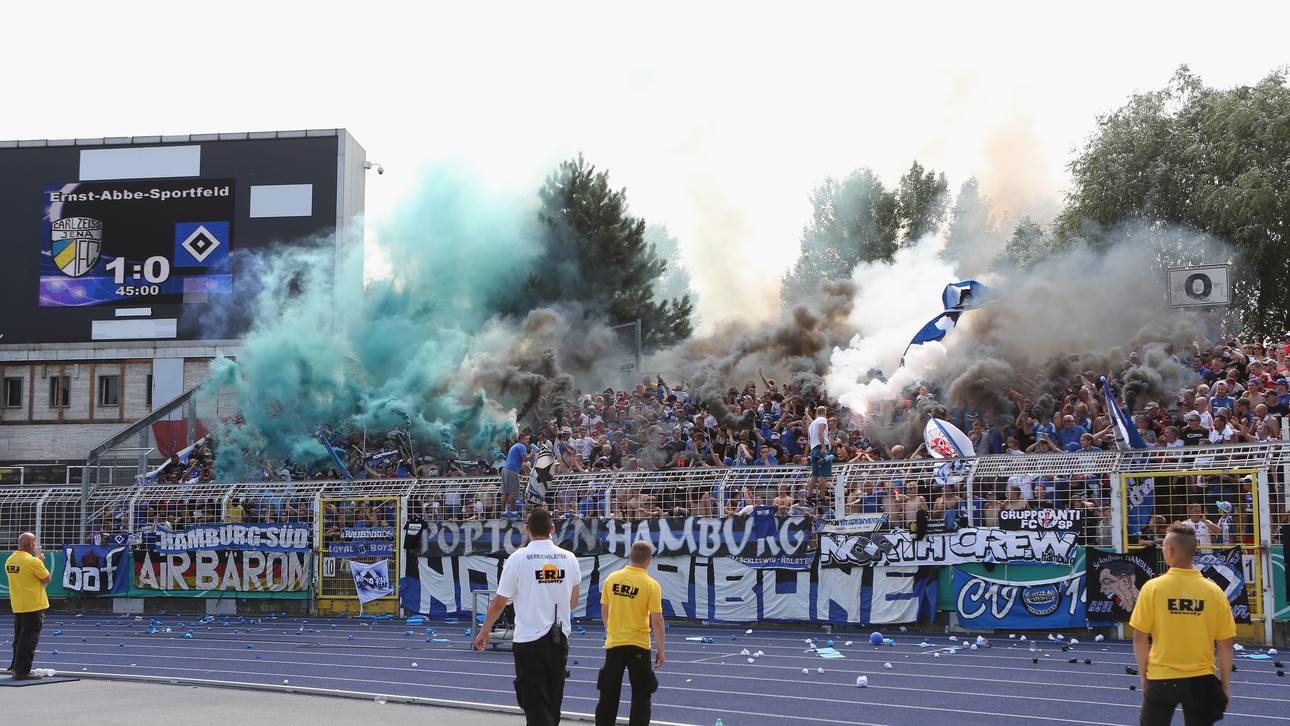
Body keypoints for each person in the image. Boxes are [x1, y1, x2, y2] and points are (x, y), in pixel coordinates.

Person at [475, 509, 581, 726]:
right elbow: (572, 602)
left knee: (533, 699)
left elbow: (500, 601)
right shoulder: (569, 558)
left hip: (529, 639)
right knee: (554, 698)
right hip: (559, 636)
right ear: (552, 529)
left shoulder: (518, 558)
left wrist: (485, 629)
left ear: (527, 530)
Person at [1130, 523, 1235, 726]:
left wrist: (1144, 676)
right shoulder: (1214, 592)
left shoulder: (1153, 588)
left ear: (1170, 551)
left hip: (1162, 677)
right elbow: (1226, 643)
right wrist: (1225, 685)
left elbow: (1139, 637)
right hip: (1201, 678)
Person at [594, 541, 665, 726]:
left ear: (629, 556)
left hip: (615, 644)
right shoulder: (651, 584)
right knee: (641, 695)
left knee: (608, 693)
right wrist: (661, 649)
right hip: (639, 645)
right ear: (649, 560)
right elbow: (657, 620)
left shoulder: (612, 578)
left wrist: (610, 630)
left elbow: (604, 611)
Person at [5, 532, 51, 680]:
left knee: (19, 638)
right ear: (31, 545)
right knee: (29, 640)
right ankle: (22, 672)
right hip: (33, 605)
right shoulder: (34, 562)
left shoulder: (10, 560)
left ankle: (16, 667)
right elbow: (47, 578)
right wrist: (40, 561)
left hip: (18, 604)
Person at [501, 433, 530, 517]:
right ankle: (514, 513)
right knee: (512, 493)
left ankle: (503, 513)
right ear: (521, 439)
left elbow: (519, 462)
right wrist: (532, 454)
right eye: (527, 439)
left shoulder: (515, 446)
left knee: (505, 492)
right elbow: (524, 459)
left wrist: (524, 472)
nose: (528, 441)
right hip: (511, 470)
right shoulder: (521, 446)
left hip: (505, 469)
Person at [807, 406, 832, 503]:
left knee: (815, 474)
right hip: (820, 448)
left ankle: (808, 497)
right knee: (823, 475)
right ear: (825, 412)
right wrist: (823, 447)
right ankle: (822, 498)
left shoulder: (812, 424)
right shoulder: (822, 419)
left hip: (813, 449)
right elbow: (820, 433)